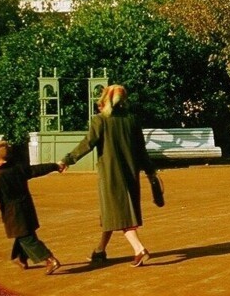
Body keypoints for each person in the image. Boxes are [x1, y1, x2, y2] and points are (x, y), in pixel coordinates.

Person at [59, 84, 158, 268]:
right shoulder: (132, 120)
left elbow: (87, 143)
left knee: (120, 213)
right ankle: (99, 251)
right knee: (112, 213)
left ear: (105, 99)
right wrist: (150, 170)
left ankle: (139, 249)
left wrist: (67, 160)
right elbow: (141, 150)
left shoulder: (100, 120)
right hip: (130, 174)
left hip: (111, 176)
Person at [0, 140, 62, 275]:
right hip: (27, 208)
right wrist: (55, 166)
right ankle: (20, 258)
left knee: (27, 238)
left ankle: (50, 259)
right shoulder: (18, 168)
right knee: (24, 234)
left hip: (13, 214)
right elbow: (37, 169)